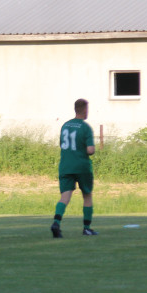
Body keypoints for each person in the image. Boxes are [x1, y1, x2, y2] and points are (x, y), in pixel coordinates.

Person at [51, 99, 98, 238]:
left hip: (65, 165)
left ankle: (56, 223)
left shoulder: (65, 125)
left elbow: (62, 144)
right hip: (81, 166)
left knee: (65, 196)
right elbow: (90, 150)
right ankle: (87, 228)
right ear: (84, 110)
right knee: (87, 195)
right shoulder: (85, 127)